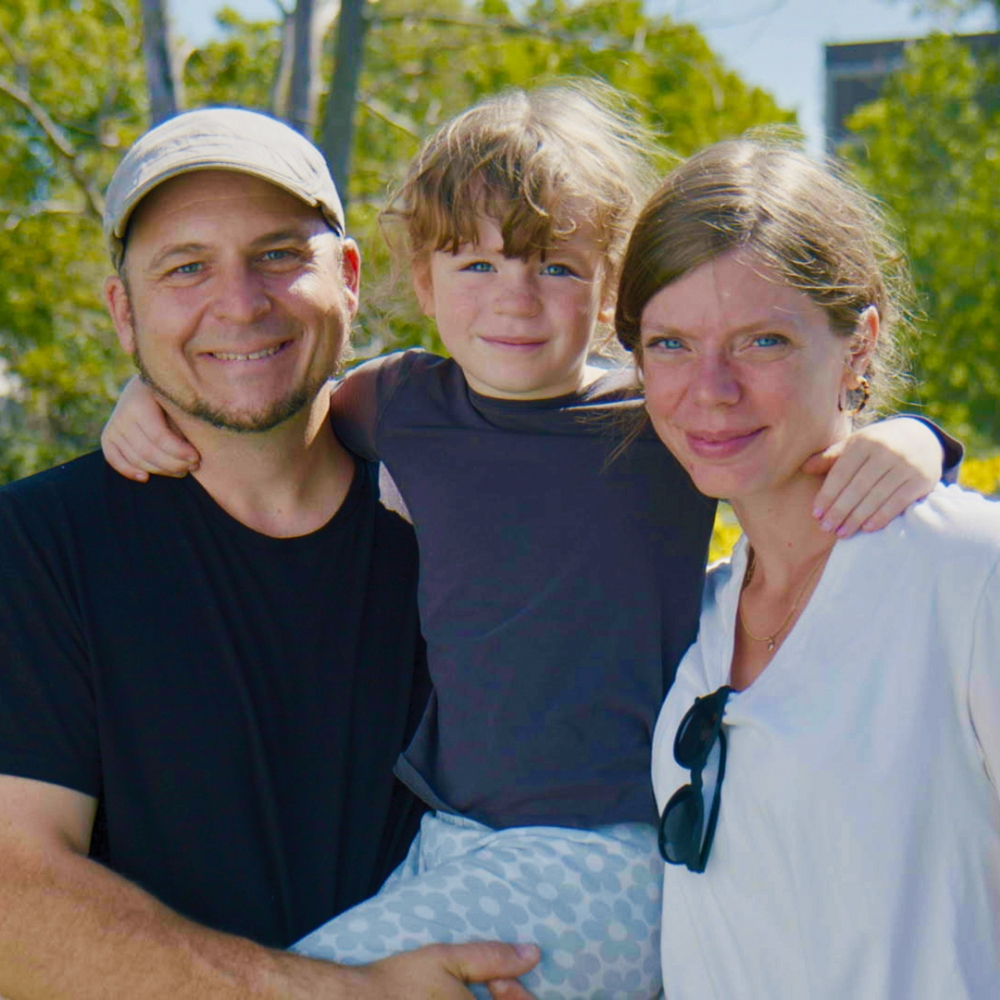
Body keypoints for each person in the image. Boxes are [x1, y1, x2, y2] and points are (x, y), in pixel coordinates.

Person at [101, 87, 959, 999]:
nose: (514, 300)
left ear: (612, 289)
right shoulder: (397, 402)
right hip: (453, 834)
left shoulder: (658, 412)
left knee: (304, 985)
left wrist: (918, 440)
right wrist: (146, 398)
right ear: (422, 281)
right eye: (474, 266)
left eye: (554, 266)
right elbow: (262, 410)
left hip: (612, 850)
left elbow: (796, 426)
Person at [0, 108, 541, 1000]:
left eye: (280, 255)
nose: (241, 302)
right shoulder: (38, 547)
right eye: (186, 269)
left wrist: (862, 447)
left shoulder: (463, 515)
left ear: (351, 277)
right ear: (122, 314)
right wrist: (340, 993)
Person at [614, 138, 1000, 998]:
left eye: (762, 340)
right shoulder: (698, 614)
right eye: (671, 343)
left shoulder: (968, 575)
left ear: (860, 342)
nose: (710, 390)